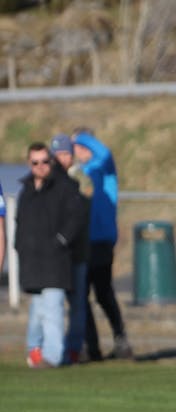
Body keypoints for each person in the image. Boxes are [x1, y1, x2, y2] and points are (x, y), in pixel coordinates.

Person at [15, 142, 87, 368]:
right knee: (37, 312)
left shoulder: (65, 186)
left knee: (54, 309)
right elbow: (20, 223)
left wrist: (60, 241)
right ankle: (34, 349)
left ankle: (53, 356)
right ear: (29, 163)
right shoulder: (25, 190)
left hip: (56, 262)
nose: (41, 166)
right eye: (35, 162)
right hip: (33, 263)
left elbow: (75, 219)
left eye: (45, 161)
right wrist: (20, 247)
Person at [72, 129, 133, 360]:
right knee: (81, 295)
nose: (75, 149)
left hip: (101, 240)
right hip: (82, 241)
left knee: (103, 292)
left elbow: (105, 152)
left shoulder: (104, 167)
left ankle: (121, 338)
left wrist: (79, 137)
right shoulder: (79, 173)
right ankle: (91, 345)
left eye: (78, 144)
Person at [51, 133, 91, 364]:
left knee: (77, 303)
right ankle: (49, 349)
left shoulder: (80, 180)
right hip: (55, 254)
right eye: (56, 154)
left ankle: (74, 348)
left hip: (76, 251)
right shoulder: (49, 178)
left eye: (65, 153)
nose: (60, 158)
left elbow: (80, 211)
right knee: (50, 303)